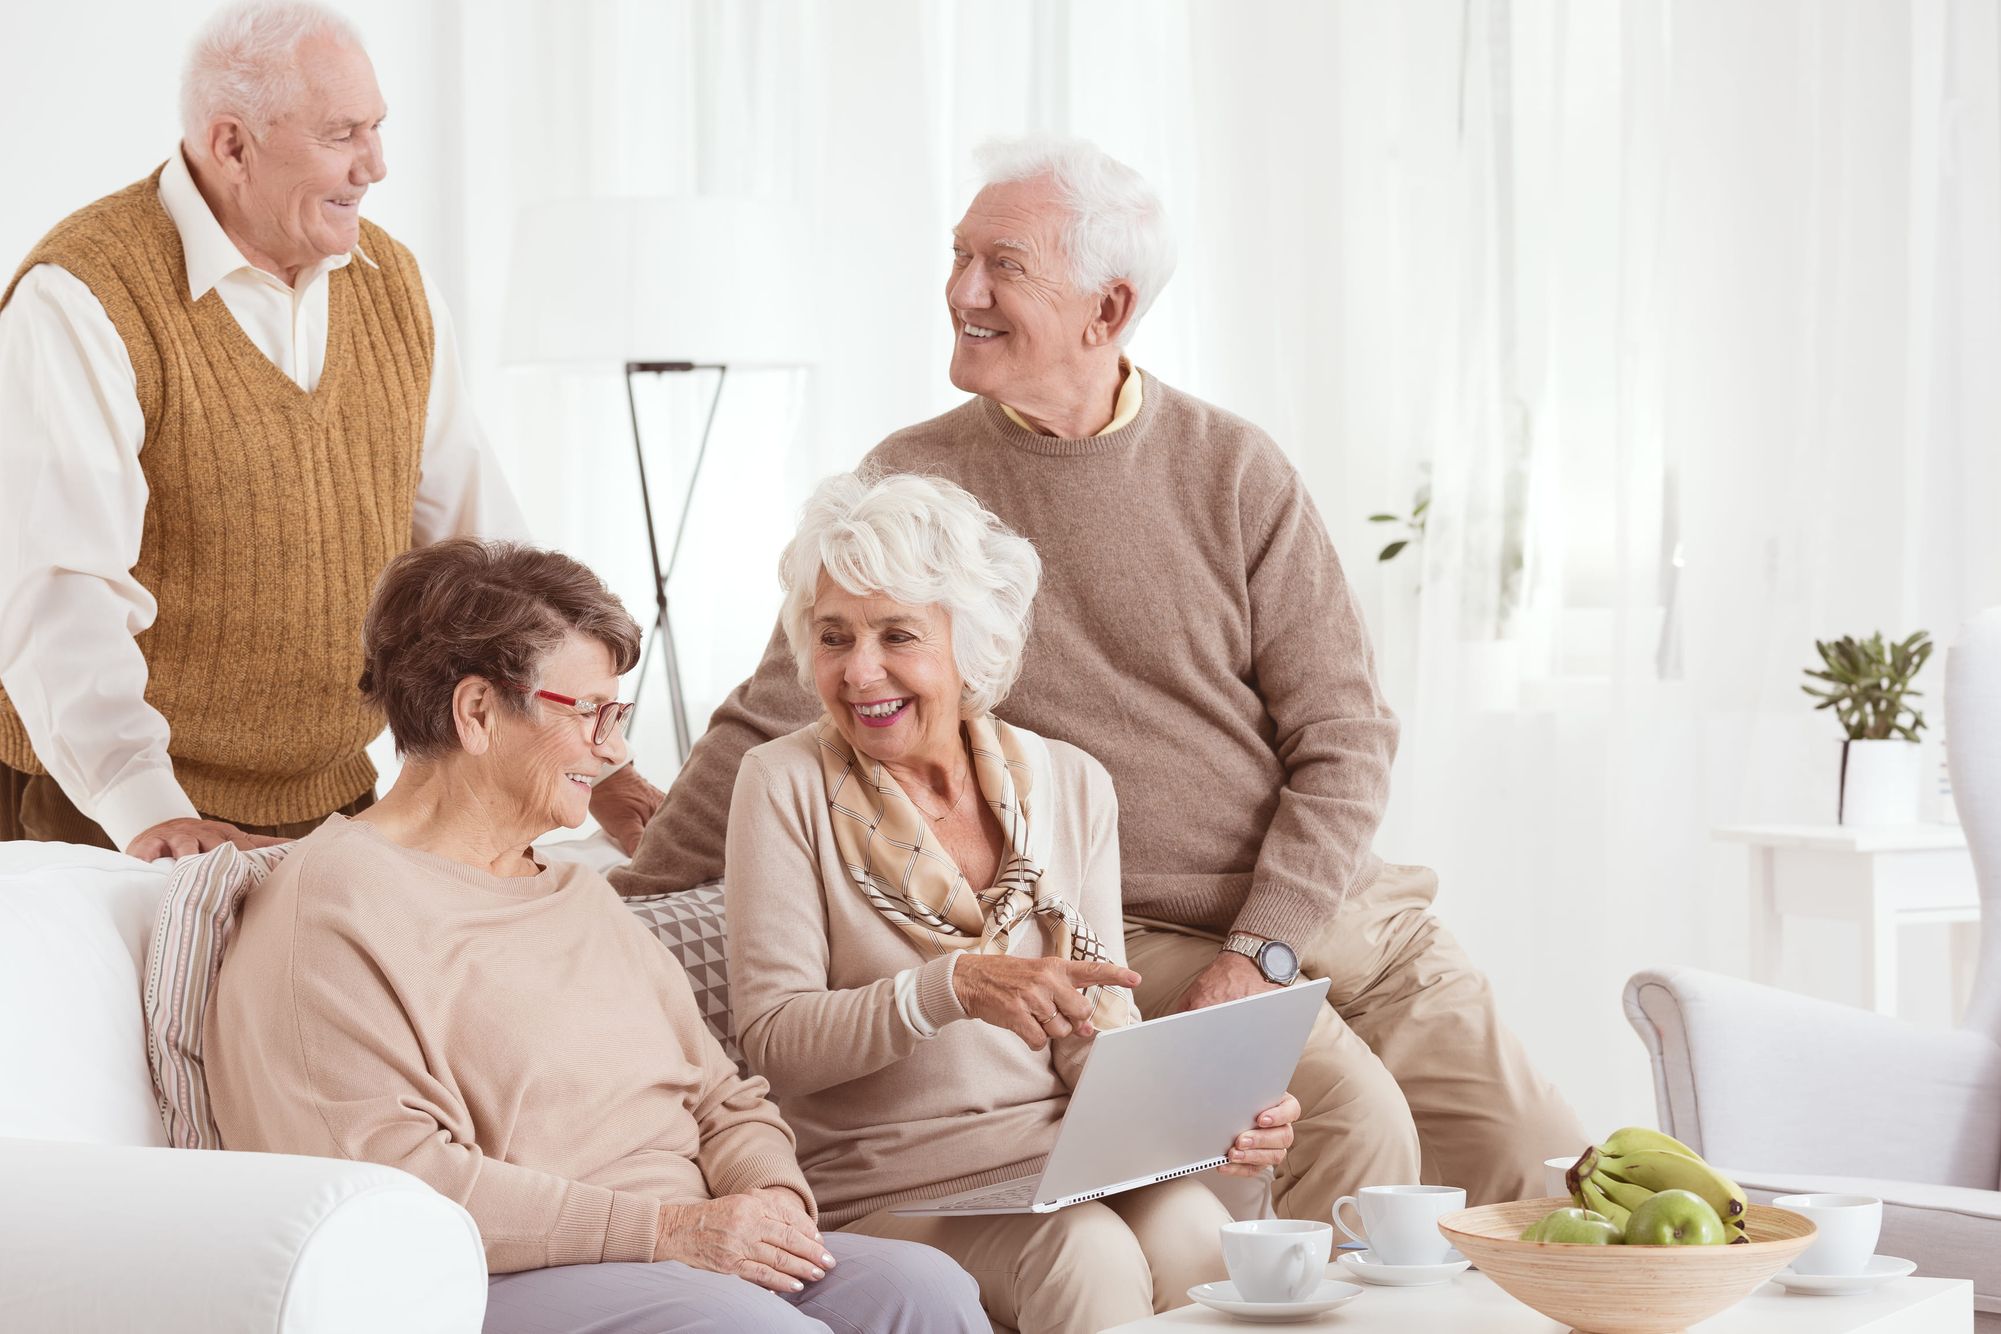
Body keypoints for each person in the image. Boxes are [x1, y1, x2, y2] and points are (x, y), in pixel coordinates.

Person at [617, 133, 1586, 1222]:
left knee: (1553, 1173)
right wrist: (618, 897)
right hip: (1154, 933)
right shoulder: (917, 476)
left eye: (1003, 265)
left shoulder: (1234, 468)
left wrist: (1267, 946)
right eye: (958, 255)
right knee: (1357, 1121)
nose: (961, 290)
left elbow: (1348, 736)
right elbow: (782, 705)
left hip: (1341, 907)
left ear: (1109, 308)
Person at [205, 538, 983, 1334]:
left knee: (923, 1288)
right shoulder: (330, 906)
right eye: (593, 715)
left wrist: (775, 1198)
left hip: (684, 1250)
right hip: (498, 1273)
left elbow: (724, 1098)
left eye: (620, 716)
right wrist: (664, 1234)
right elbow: (389, 1182)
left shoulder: (580, 896)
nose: (614, 751)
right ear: (477, 711)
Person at [0, 0, 660, 861]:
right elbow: (58, 592)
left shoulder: (392, 284)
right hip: (100, 807)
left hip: (334, 800)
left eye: (378, 128)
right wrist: (144, 806)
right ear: (232, 144)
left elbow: (486, 557)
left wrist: (594, 763)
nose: (377, 164)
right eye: (342, 134)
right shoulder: (83, 296)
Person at [725, 471, 1297, 1334]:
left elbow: (1092, 1018)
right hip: (887, 1188)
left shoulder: (1068, 783)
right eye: (833, 637)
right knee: (1083, 1251)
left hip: (1059, 1163)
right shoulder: (781, 785)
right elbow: (776, 1043)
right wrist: (948, 987)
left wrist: (1207, 1120)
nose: (859, 671)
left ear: (971, 641)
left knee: (1199, 1230)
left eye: (897, 635)